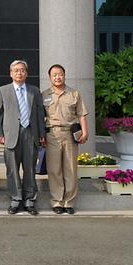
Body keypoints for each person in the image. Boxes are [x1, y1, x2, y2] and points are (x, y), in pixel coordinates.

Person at [0, 60, 45, 215]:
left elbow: (39, 113)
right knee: (12, 169)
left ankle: (30, 200)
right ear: (11, 73)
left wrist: (42, 134)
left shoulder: (34, 91)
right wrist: (0, 134)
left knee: (30, 168)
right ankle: (15, 199)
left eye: (22, 70)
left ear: (27, 73)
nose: (19, 73)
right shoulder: (3, 90)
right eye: (16, 70)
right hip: (11, 134)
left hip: (30, 133)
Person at [42, 64, 89, 215]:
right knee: (54, 170)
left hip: (70, 135)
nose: (57, 77)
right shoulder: (44, 95)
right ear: (50, 77)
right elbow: (39, 117)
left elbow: (81, 114)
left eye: (60, 74)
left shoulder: (74, 94)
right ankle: (57, 201)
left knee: (70, 169)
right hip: (52, 135)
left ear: (64, 75)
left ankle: (69, 202)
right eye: (54, 74)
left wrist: (85, 131)